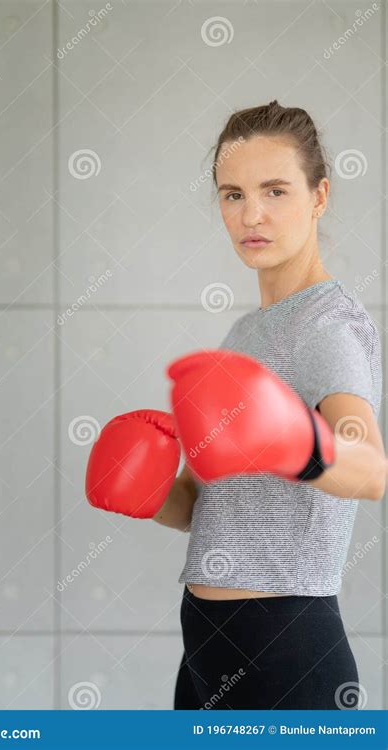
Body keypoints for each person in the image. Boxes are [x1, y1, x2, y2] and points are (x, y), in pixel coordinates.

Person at [152, 100, 386, 710]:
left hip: (286, 645)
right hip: (206, 641)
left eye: (275, 191)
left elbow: (371, 469)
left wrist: (295, 440)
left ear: (319, 196)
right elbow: (204, 508)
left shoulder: (330, 327)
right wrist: (151, 488)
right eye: (232, 194)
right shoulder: (243, 337)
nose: (250, 214)